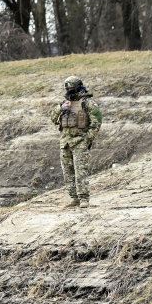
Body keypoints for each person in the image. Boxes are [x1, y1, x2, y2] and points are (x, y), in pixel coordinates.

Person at [51, 76, 104, 209]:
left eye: (71, 88)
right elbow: (53, 118)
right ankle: (74, 198)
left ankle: (84, 199)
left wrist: (87, 140)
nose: (69, 90)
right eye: (67, 88)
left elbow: (96, 122)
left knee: (81, 171)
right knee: (67, 172)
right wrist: (61, 108)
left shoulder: (87, 103)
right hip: (65, 143)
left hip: (80, 142)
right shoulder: (64, 103)